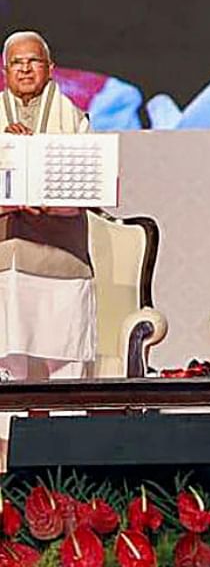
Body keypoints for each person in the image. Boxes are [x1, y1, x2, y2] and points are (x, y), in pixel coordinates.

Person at [0, 31, 96, 456]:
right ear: (5, 71)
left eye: (33, 61)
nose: (24, 69)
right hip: (5, 265)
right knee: (8, 364)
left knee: (65, 362)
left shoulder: (74, 119)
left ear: (50, 68)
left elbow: (89, 188)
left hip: (62, 264)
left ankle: (67, 457)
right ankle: (9, 459)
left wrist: (46, 197)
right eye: (16, 62)